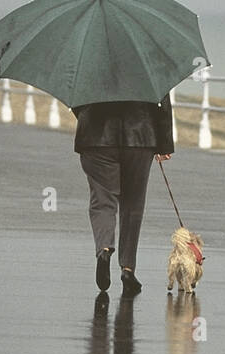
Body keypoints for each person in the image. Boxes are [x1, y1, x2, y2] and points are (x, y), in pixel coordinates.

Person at [73, 98, 174, 296]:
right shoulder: (148, 66)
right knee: (133, 205)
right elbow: (162, 101)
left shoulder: (88, 66)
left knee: (102, 202)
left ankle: (104, 248)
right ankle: (128, 269)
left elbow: (75, 98)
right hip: (140, 138)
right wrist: (165, 144)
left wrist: (87, 119)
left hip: (96, 138)